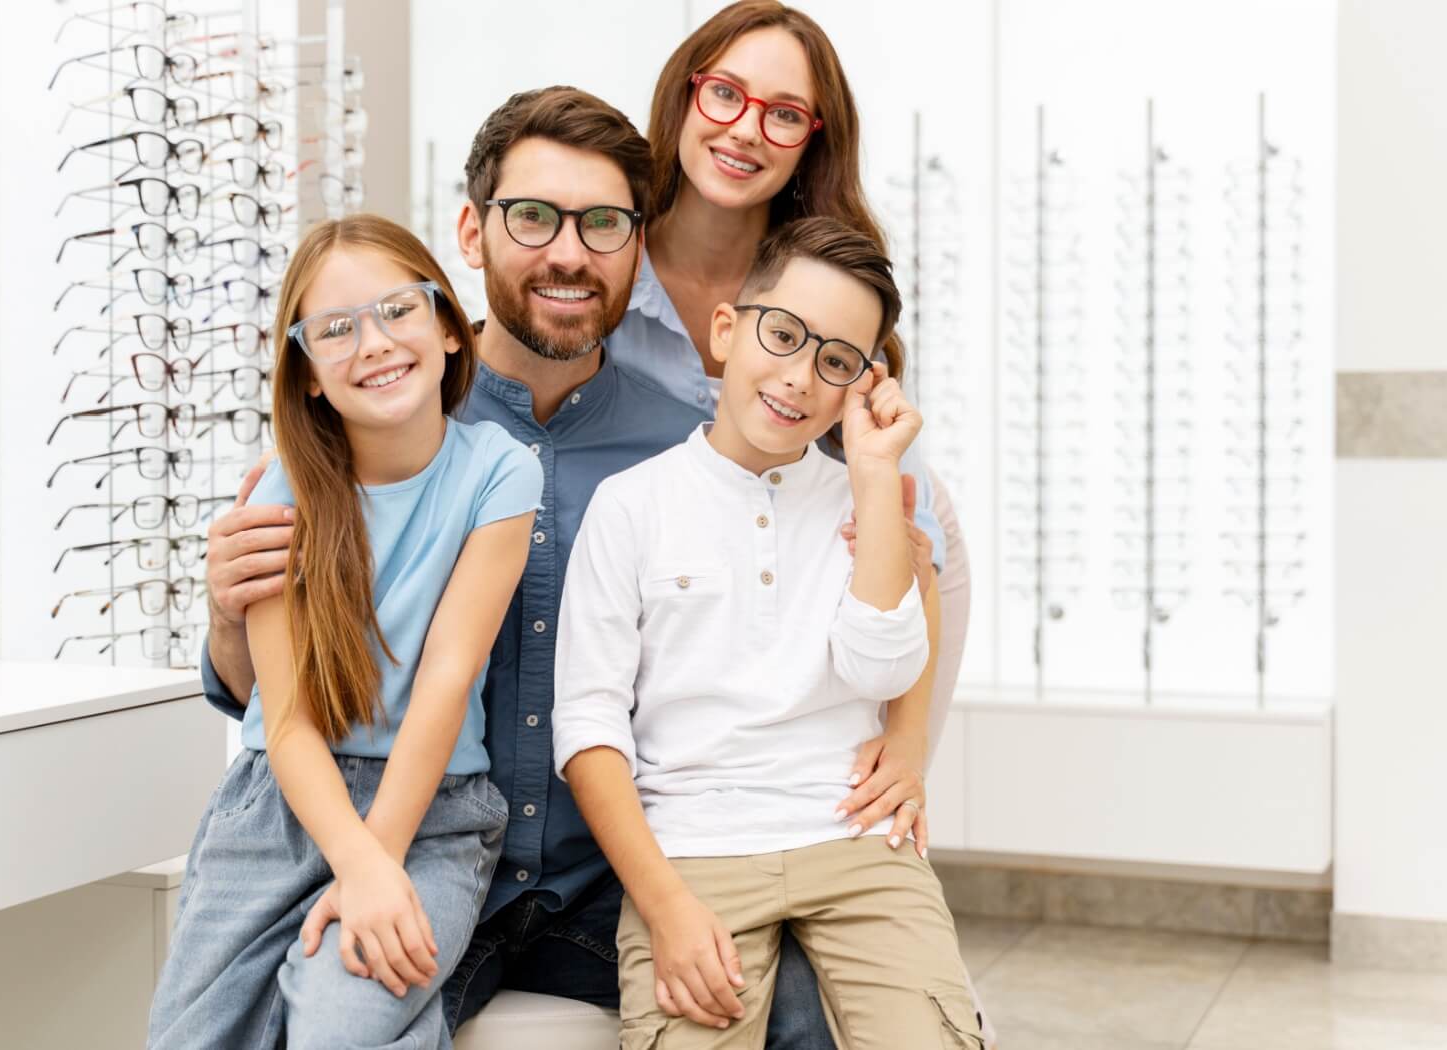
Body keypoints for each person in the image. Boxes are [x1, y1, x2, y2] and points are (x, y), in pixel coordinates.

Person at [196, 88, 846, 1043]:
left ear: (636, 246)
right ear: (472, 228)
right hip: (426, 861)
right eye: (534, 216)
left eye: (605, 224)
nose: (570, 254)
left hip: (612, 888)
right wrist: (225, 616)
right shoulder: (385, 424)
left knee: (799, 1019)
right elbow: (273, 697)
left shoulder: (697, 456)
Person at [556, 218, 982, 1049]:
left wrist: (871, 477)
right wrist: (664, 906)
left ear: (862, 386)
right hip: (694, 856)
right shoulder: (631, 505)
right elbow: (588, 729)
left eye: (835, 363)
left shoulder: (866, 500)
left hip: (858, 845)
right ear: (726, 330)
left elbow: (882, 664)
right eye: (783, 335)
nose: (798, 379)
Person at [146, 214, 543, 1050]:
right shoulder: (283, 492)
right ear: (311, 376)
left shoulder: (500, 471)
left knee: (340, 1027)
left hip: (429, 812)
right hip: (280, 807)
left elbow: (445, 679)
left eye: (398, 311)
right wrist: (354, 861)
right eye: (335, 330)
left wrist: (380, 861)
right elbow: (285, 722)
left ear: (445, 325)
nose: (374, 343)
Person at [611, 0, 975, 852]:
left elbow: (922, 541)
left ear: (813, 138)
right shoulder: (607, 269)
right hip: (664, 649)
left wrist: (909, 739)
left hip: (806, 661)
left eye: (784, 115)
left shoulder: (825, 281)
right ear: (684, 96)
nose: (746, 131)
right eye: (725, 95)